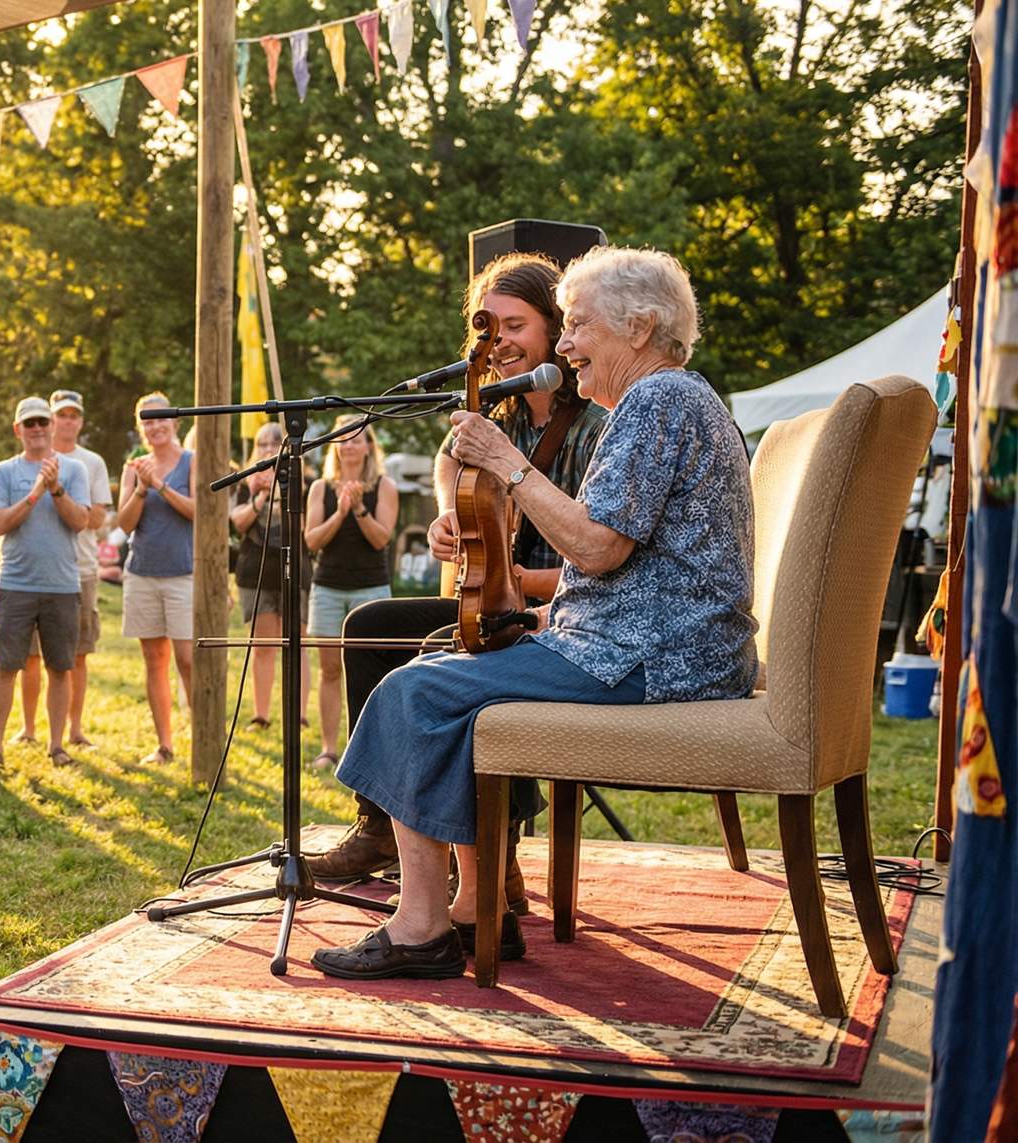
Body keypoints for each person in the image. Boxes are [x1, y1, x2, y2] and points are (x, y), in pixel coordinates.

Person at [312, 246, 757, 980]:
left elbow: (598, 546)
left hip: (652, 659)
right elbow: (640, 563)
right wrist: (554, 618)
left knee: (411, 693)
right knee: (446, 666)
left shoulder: (658, 401)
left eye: (578, 324)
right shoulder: (680, 399)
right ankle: (474, 908)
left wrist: (507, 463)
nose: (568, 343)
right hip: (663, 645)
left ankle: (421, 927)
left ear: (640, 327)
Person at [306, 252, 609, 888]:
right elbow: (450, 456)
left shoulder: (595, 428)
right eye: (489, 330)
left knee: (459, 648)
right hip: (497, 601)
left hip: (564, 615)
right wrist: (455, 514)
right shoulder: (498, 412)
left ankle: (496, 858)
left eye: (516, 326)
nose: (500, 344)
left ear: (555, 327)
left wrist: (515, 579)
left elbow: (604, 564)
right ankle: (380, 825)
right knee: (368, 627)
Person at [0, 397, 91, 772]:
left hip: (62, 586)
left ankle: (57, 746)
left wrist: (56, 487)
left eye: (43, 421)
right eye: (29, 423)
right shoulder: (4, 472)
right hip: (16, 584)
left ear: (52, 425)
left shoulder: (74, 470)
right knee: (6, 666)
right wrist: (35, 493)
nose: (37, 429)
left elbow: (80, 522)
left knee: (60, 668)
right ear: (18, 430)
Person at [302, 416, 398, 770]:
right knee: (330, 670)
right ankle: (329, 749)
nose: (349, 445)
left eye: (356, 439)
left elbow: (381, 539)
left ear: (369, 446)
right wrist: (340, 513)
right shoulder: (320, 488)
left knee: (370, 670)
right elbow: (312, 541)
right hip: (328, 587)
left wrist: (358, 509)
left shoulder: (384, 486)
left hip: (370, 587)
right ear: (334, 446)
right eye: (343, 439)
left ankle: (367, 750)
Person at [16, 390, 111, 747]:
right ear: (52, 421)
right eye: (61, 415)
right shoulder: (29, 460)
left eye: (74, 415)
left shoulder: (90, 463)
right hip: (32, 572)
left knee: (76, 655)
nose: (67, 422)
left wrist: (64, 496)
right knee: (29, 656)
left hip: (79, 569)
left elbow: (96, 518)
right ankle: (28, 728)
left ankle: (75, 729)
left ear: (80, 421)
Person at [117, 393, 198, 766]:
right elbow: (125, 523)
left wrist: (161, 486)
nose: (155, 426)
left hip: (183, 574)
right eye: (147, 420)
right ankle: (165, 744)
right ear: (141, 427)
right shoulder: (134, 467)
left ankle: (202, 738)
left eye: (161, 418)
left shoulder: (192, 462)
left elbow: (199, 512)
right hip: (142, 574)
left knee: (188, 660)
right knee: (155, 660)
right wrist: (141, 487)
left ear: (175, 421)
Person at [231, 420, 312, 730]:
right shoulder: (245, 482)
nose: (268, 449)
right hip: (256, 571)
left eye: (274, 443)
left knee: (297, 645)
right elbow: (239, 523)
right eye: (262, 443)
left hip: (295, 568)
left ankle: (298, 716)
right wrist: (260, 495)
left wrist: (283, 488)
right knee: (263, 646)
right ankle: (261, 716)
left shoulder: (304, 481)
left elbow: (304, 528)